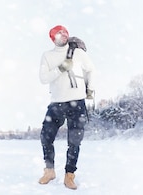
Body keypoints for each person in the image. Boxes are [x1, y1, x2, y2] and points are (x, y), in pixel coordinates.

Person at [37, 25, 95, 190]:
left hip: (77, 102)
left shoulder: (78, 53)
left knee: (74, 141)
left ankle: (69, 175)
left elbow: (91, 70)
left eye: (65, 32)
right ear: (52, 37)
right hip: (56, 103)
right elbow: (43, 78)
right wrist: (61, 68)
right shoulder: (47, 56)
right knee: (45, 136)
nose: (63, 35)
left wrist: (90, 89)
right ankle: (49, 171)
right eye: (59, 33)